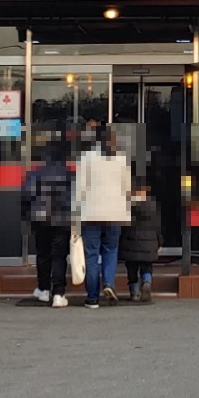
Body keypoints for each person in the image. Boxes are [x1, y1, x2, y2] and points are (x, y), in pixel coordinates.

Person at [73, 126, 131, 309]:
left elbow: (79, 189)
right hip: (115, 213)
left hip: (91, 213)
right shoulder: (121, 159)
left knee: (91, 255)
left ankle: (92, 298)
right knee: (111, 250)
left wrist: (75, 214)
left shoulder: (87, 157)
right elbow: (127, 187)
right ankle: (108, 284)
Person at [20, 141, 74, 308]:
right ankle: (58, 293)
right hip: (62, 220)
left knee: (43, 254)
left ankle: (43, 289)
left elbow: (26, 196)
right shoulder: (70, 175)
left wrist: (27, 216)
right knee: (59, 256)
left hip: (40, 220)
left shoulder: (35, 174)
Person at [119, 179, 160, 303]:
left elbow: (122, 226)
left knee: (131, 268)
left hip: (130, 242)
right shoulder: (152, 206)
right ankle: (147, 281)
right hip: (148, 243)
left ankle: (134, 292)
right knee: (146, 265)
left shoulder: (126, 206)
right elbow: (158, 226)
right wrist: (159, 241)